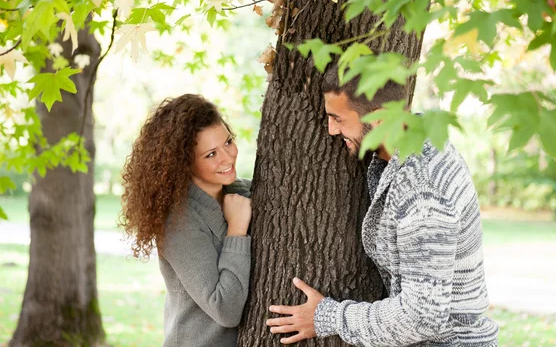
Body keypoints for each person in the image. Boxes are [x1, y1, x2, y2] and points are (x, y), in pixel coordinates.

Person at [266, 67, 499, 346]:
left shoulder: (422, 189)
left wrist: (327, 316)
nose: (331, 129)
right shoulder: (410, 145)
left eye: (338, 118)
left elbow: (421, 317)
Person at [120, 94, 252, 347]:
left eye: (228, 142)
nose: (227, 157)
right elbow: (225, 309)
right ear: (184, 163)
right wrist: (236, 230)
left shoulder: (242, 192)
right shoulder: (178, 222)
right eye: (211, 154)